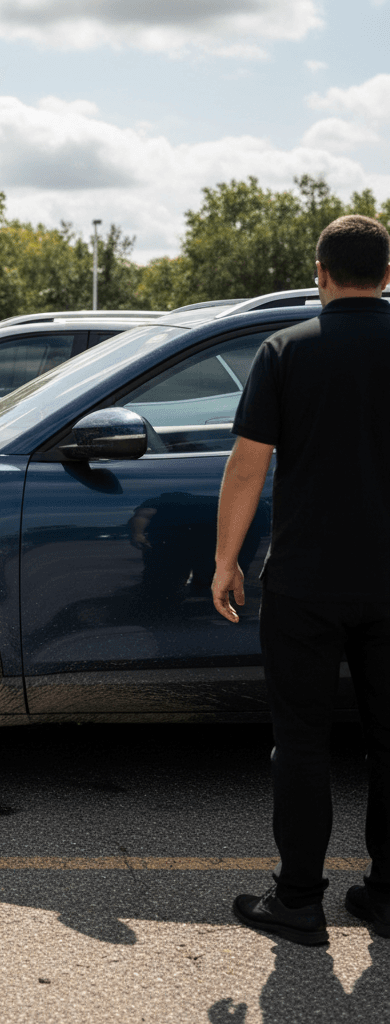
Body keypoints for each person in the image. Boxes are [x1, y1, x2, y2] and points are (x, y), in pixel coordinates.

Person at [212, 214, 390, 946]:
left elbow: (248, 466)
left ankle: (297, 903)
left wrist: (225, 562)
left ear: (321, 273)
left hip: (306, 583)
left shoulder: (285, 349)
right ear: (386, 274)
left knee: (302, 744)